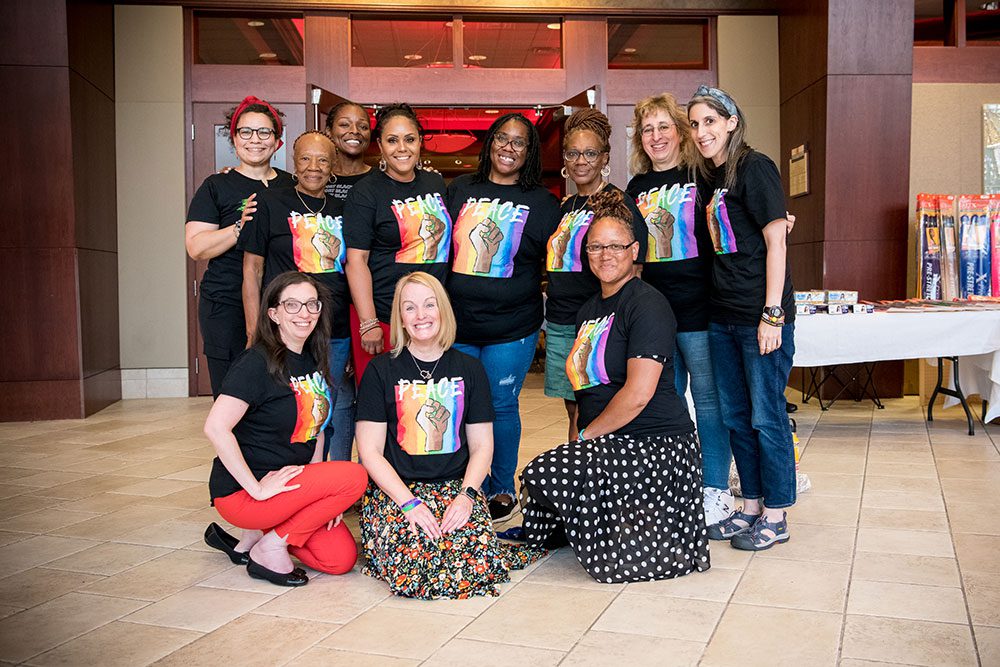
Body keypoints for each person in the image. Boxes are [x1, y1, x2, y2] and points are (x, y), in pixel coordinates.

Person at [519, 190, 709, 583]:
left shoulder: (647, 304)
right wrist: (580, 443)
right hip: (610, 441)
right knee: (540, 476)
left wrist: (586, 438)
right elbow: (583, 393)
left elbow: (638, 395)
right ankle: (590, 532)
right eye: (595, 247)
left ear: (635, 250)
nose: (605, 255)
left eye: (615, 246)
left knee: (549, 474)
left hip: (655, 445)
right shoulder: (588, 310)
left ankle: (639, 537)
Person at [355, 272, 545, 598]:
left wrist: (468, 495)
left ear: (443, 310)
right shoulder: (380, 371)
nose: (421, 315)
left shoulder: (470, 370)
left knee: (476, 564)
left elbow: (483, 445)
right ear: (400, 316)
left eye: (429, 305)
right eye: (410, 307)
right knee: (415, 568)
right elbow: (369, 452)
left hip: (454, 489)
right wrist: (409, 504)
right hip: (399, 492)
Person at [203, 271, 368, 586]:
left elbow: (317, 428)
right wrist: (257, 488)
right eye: (292, 305)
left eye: (311, 304)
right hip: (246, 495)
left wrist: (324, 491)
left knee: (338, 560)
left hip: (290, 489)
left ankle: (256, 540)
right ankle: (270, 544)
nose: (304, 313)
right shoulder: (255, 363)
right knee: (356, 475)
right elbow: (215, 427)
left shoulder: (311, 360)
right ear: (273, 313)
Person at [687, 85, 796, 551]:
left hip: (759, 318)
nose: (701, 132)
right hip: (721, 316)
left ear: (731, 122)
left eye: (710, 121)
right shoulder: (710, 179)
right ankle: (750, 504)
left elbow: (777, 244)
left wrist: (772, 314)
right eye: (694, 124)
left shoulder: (757, 167)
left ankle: (777, 513)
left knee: (767, 416)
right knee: (735, 416)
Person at [624, 93, 734, 528]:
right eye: (647, 129)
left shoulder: (703, 175)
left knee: (708, 401)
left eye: (664, 127)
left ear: (681, 131)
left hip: (702, 308)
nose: (656, 137)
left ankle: (715, 490)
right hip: (655, 315)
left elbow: (734, 222)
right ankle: (673, 484)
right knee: (663, 400)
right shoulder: (635, 188)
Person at [445, 112, 561, 522]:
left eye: (519, 142)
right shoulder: (460, 189)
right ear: (490, 142)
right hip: (457, 324)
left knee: (501, 405)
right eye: (502, 138)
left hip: (512, 327)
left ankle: (500, 488)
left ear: (529, 153)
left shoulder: (545, 203)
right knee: (458, 408)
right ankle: (460, 486)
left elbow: (557, 263)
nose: (508, 148)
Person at [239, 131, 354, 462]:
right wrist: (253, 330)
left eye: (322, 160)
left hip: (335, 329)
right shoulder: (269, 203)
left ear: (333, 166)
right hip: (284, 331)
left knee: (337, 404)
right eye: (305, 158)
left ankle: (336, 478)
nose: (313, 167)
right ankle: (290, 475)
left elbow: (355, 268)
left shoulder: (345, 209)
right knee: (291, 405)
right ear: (292, 161)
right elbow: (252, 270)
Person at [545, 108, 646, 442]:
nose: (580, 161)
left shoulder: (618, 204)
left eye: (590, 153)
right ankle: (576, 474)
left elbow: (635, 270)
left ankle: (591, 479)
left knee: (596, 405)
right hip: (561, 321)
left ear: (605, 157)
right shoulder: (565, 205)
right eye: (572, 153)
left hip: (599, 322)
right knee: (573, 407)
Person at [185, 96, 293, 397]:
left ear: (277, 142)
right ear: (234, 139)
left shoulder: (291, 185)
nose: (254, 140)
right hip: (226, 304)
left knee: (279, 393)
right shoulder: (216, 186)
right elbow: (196, 247)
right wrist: (239, 227)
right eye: (246, 132)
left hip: (283, 305)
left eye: (264, 132)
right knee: (233, 393)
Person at [344, 103, 452, 386]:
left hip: (430, 317)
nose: (401, 148)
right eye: (392, 140)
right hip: (384, 317)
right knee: (381, 403)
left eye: (410, 139)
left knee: (425, 400)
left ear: (420, 142)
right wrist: (368, 323)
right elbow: (356, 261)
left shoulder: (436, 183)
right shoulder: (365, 192)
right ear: (379, 145)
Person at [324, 100, 374, 202]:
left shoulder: (382, 179)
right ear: (329, 132)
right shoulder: (317, 177)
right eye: (344, 125)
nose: (355, 131)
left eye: (363, 127)